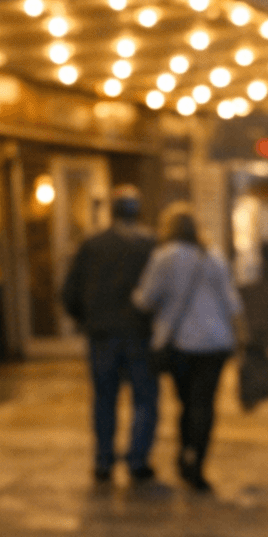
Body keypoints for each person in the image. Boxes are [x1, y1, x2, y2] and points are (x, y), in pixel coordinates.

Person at [134, 204, 245, 492]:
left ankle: (185, 454)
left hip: (181, 342)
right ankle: (197, 461)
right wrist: (242, 338)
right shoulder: (214, 258)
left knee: (185, 402)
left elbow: (145, 299)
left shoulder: (164, 258)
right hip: (216, 342)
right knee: (205, 403)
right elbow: (233, 303)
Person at [60, 186, 158, 485]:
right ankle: (137, 459)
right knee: (144, 399)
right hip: (140, 334)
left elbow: (69, 292)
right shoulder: (150, 244)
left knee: (105, 398)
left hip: (102, 335)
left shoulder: (92, 245)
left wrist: (85, 319)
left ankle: (104, 460)